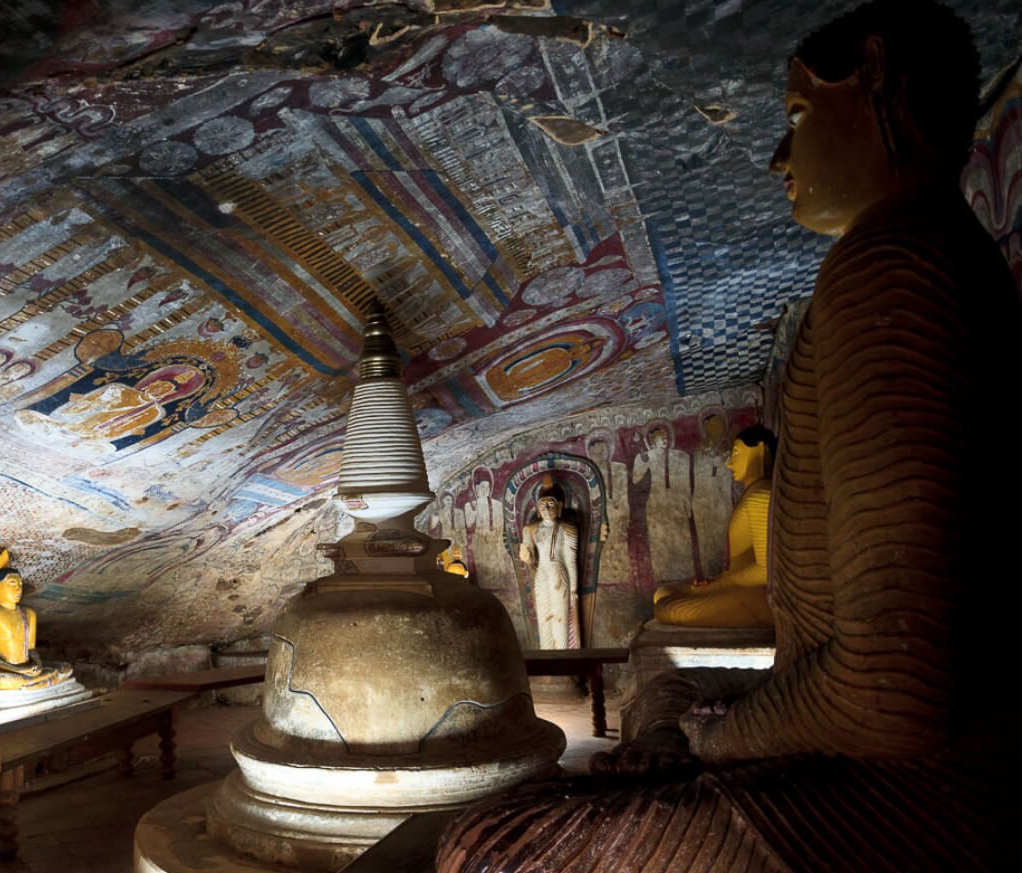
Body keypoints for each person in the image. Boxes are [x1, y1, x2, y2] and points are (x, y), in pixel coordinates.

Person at [437, 2, 1019, 870]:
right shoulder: (918, 253)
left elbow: (894, 687)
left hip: (929, 783)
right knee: (667, 690)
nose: (781, 156)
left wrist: (716, 743)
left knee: (496, 841)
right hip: (881, 719)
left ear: (876, 79)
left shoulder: (893, 262)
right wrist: (704, 726)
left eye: (795, 117)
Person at [652, 425, 776, 627]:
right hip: (738, 585)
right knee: (662, 593)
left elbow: (766, 572)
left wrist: (720, 584)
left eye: (736, 453)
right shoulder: (752, 494)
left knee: (668, 609)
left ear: (760, 449)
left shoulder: (761, 495)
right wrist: (715, 584)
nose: (730, 463)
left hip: (757, 594)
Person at [0, 550, 73, 693]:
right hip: (5, 671)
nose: (18, 588)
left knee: (66, 667)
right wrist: (18, 669)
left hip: (27, 668)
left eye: (20, 583)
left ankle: (30, 683)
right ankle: (39, 682)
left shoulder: (29, 614)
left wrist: (37, 664)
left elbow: (31, 649)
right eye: (12, 583)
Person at [518, 482, 580, 649]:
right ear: (537, 509)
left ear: (559, 507)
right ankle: (547, 658)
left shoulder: (568, 528)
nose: (546, 508)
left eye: (551, 503)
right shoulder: (531, 529)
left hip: (558, 572)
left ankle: (564, 661)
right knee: (544, 617)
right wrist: (527, 556)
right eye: (542, 504)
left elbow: (570, 560)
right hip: (541, 573)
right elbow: (531, 559)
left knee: (560, 618)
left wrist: (573, 590)